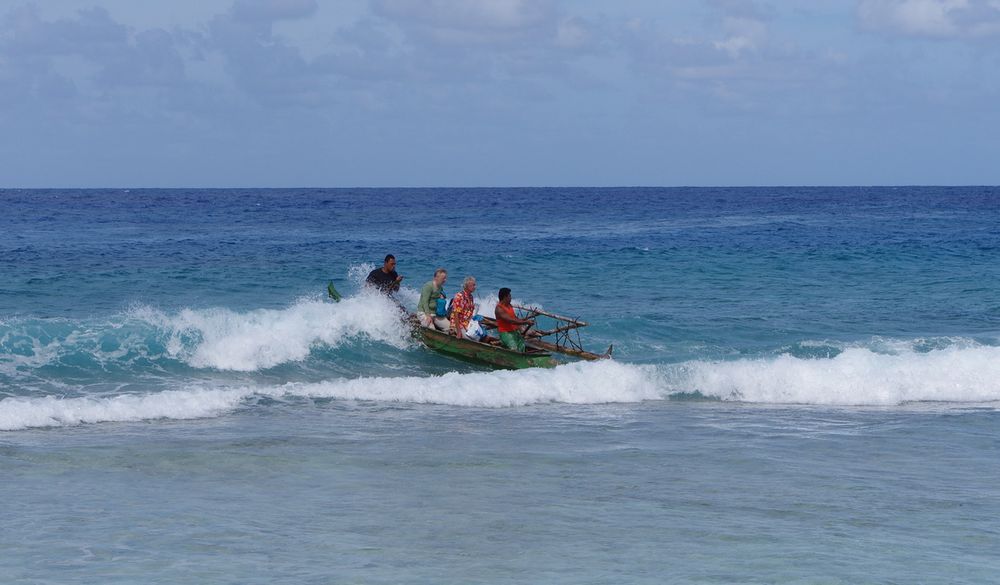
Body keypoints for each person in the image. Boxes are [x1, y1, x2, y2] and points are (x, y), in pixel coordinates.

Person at [494, 287, 534, 352]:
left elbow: (515, 318)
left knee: (522, 347)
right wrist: (526, 322)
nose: (511, 297)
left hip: (514, 332)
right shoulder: (499, 309)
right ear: (505, 297)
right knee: (514, 349)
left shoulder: (509, 305)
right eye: (509, 296)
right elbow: (511, 321)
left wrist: (523, 326)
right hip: (505, 333)